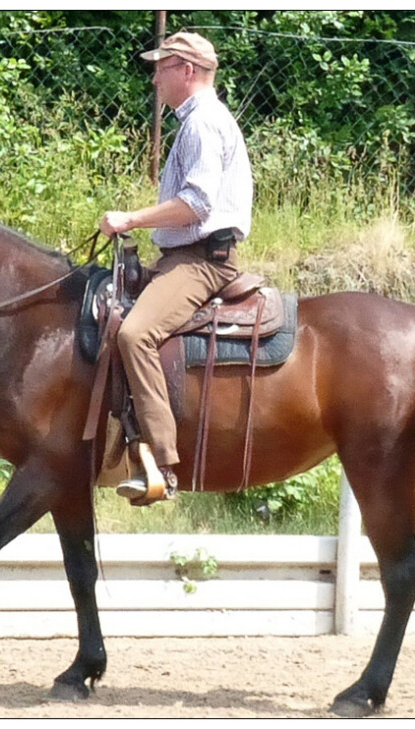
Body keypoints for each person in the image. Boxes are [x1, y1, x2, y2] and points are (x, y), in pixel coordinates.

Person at [99, 31, 253, 505]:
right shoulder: (198, 121)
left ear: (187, 70)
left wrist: (131, 219)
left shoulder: (202, 123)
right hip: (184, 257)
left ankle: (161, 463)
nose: (154, 80)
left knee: (135, 334)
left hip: (200, 262)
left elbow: (196, 204)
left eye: (161, 69)